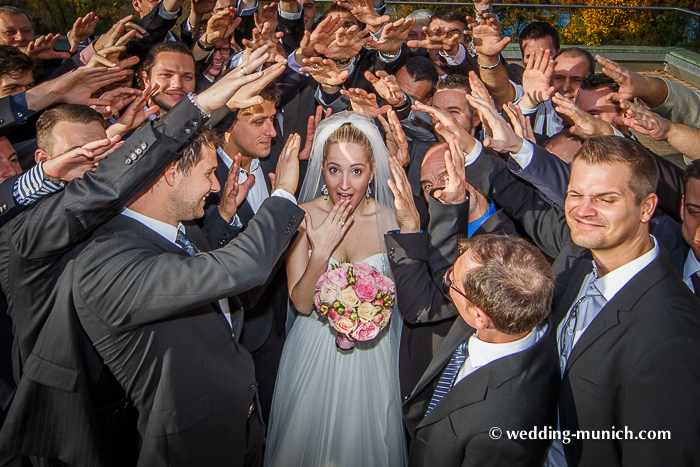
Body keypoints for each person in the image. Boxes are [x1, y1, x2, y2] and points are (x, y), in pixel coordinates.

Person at [459, 93, 700, 465]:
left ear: (647, 207)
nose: (583, 210)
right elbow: (526, 203)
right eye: (575, 194)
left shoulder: (671, 335)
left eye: (605, 199)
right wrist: (473, 151)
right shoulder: (576, 254)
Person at [265, 111, 407, 467]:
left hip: (373, 357)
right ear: (321, 167)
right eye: (334, 169)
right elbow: (300, 302)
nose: (344, 184)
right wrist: (321, 252)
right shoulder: (302, 215)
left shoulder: (392, 220)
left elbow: (410, 294)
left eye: (356, 171)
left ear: (372, 172)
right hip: (314, 349)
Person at [403, 234, 559, 467]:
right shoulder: (514, 316)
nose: (448, 279)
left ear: (479, 316)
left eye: (451, 281)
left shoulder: (503, 433)